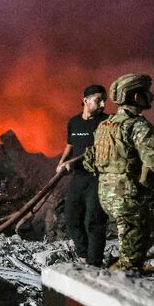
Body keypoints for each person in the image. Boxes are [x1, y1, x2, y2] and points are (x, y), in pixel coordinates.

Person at [83, 74, 154, 270]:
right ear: (136, 97)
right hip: (128, 199)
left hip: (106, 196)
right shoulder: (138, 125)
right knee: (129, 268)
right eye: (146, 93)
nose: (151, 96)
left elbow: (91, 161)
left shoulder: (104, 125)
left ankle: (129, 255)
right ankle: (123, 268)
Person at [56, 85, 110, 266]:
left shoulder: (106, 122)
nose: (103, 104)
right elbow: (70, 144)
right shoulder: (73, 122)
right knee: (71, 217)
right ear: (85, 100)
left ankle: (94, 264)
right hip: (79, 177)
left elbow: (98, 149)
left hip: (98, 177)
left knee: (94, 221)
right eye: (98, 100)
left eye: (104, 101)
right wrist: (62, 162)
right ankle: (84, 255)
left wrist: (73, 162)